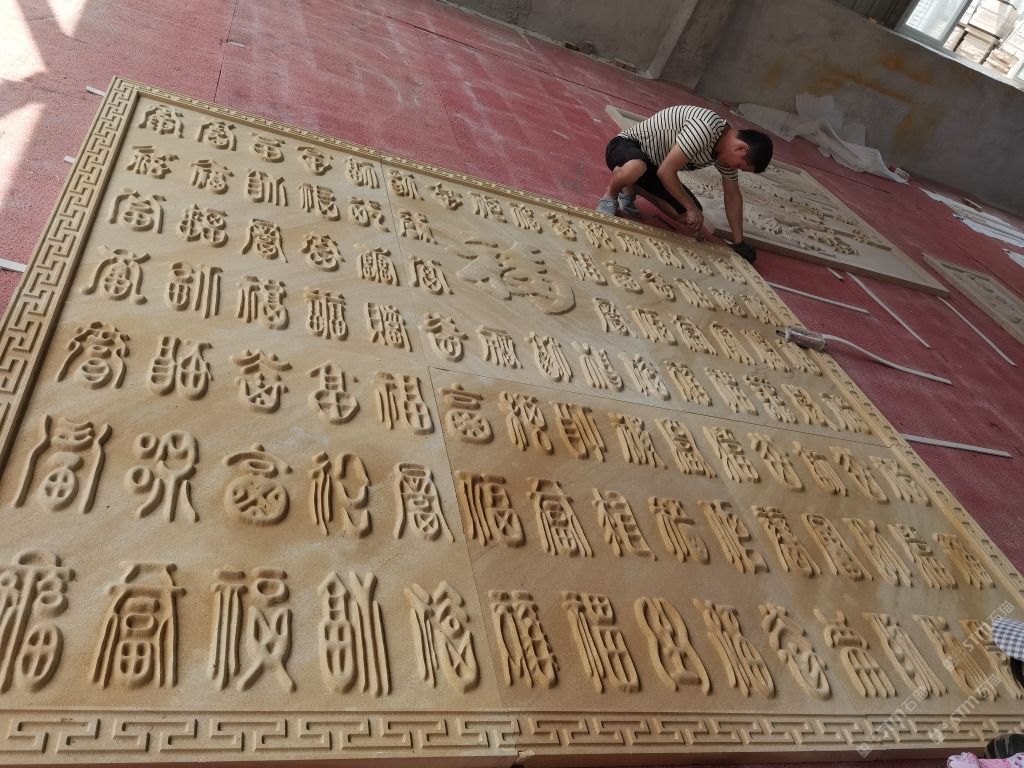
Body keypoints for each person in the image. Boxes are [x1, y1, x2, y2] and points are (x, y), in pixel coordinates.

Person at [597, 104, 774, 263]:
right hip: (627, 147)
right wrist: (690, 206)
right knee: (636, 167)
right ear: (741, 148)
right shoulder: (706, 127)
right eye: (740, 166)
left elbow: (732, 197)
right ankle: (611, 194)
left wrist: (739, 242)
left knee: (689, 216)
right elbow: (666, 172)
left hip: (653, 167)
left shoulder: (724, 155)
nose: (735, 168)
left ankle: (634, 187)